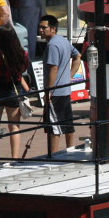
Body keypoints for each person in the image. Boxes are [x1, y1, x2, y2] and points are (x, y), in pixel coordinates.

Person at [0, 23, 30, 160]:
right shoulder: (22, 54)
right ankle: (14, 159)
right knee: (14, 126)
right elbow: (23, 70)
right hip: (13, 90)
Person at [40, 15, 81, 153]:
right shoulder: (63, 41)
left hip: (56, 93)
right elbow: (77, 57)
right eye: (40, 27)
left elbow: (54, 68)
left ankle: (54, 156)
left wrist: (49, 91)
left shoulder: (52, 45)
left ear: (53, 29)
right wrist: (69, 77)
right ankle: (70, 151)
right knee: (68, 125)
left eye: (44, 27)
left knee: (54, 128)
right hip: (65, 90)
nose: (41, 30)